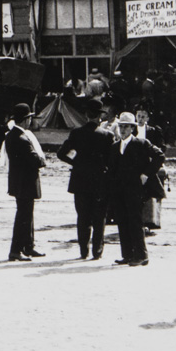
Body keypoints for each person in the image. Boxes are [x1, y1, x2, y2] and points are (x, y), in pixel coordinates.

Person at [56, 96, 113, 259]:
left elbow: (61, 154)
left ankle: (83, 251)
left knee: (83, 217)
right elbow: (111, 160)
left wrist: (75, 162)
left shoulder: (76, 133)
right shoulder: (107, 135)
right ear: (100, 116)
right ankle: (97, 251)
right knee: (99, 218)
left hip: (80, 180)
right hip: (100, 181)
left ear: (86, 114)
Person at [106, 111, 164, 266]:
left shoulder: (141, 143)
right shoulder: (114, 147)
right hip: (119, 191)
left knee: (135, 222)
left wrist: (146, 174)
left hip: (135, 190)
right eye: (121, 127)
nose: (123, 130)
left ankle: (141, 255)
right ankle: (127, 254)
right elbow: (111, 169)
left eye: (126, 127)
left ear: (132, 128)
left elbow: (160, 156)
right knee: (122, 221)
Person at [3, 102, 47, 261]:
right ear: (25, 120)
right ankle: (16, 250)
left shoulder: (12, 135)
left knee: (26, 215)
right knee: (24, 217)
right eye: (29, 118)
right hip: (26, 182)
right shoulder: (22, 138)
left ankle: (28, 246)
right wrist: (42, 160)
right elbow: (34, 160)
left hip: (18, 181)